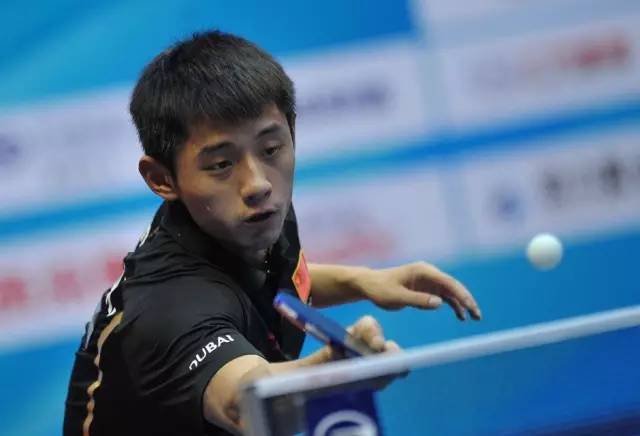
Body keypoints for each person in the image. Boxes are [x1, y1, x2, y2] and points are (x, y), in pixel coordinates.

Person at [63, 30, 481, 436]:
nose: (258, 182)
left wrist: (365, 281)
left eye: (270, 148)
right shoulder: (167, 307)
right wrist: (333, 370)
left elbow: (272, 280)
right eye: (221, 164)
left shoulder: (244, 217)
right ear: (161, 178)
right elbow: (245, 401)